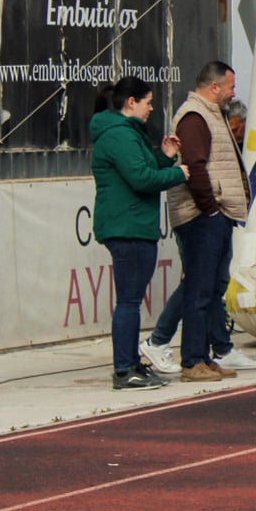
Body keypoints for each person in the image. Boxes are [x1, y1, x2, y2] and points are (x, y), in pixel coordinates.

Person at [91, 76, 187, 390]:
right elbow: (140, 179)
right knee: (130, 301)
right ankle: (124, 369)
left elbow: (144, 169)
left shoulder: (128, 134)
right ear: (131, 102)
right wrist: (177, 173)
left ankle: (131, 364)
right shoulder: (120, 135)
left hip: (133, 225)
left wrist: (164, 157)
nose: (151, 110)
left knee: (131, 300)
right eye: (148, 103)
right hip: (127, 226)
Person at [163, 61, 255, 382]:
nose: (233, 93)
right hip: (202, 217)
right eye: (230, 87)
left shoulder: (210, 114)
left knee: (210, 289)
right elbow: (195, 167)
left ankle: (202, 357)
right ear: (214, 87)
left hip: (213, 214)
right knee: (199, 291)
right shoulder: (194, 116)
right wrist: (211, 208)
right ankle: (192, 361)